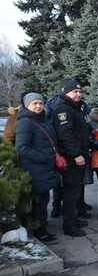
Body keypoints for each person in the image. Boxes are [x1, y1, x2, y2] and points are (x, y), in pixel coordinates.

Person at [16, 93, 60, 244]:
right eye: (34, 103)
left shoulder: (43, 119)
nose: (38, 106)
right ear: (27, 105)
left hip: (45, 168)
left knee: (42, 200)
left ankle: (41, 229)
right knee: (40, 201)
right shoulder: (25, 122)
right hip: (35, 168)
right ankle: (40, 232)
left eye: (40, 103)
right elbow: (21, 147)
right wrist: (43, 157)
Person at [51, 79, 90, 237]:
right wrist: (76, 154)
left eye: (80, 92)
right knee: (71, 192)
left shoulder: (73, 108)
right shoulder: (62, 109)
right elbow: (65, 135)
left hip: (78, 155)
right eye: (75, 92)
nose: (78, 94)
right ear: (65, 92)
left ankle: (72, 219)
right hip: (72, 157)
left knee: (75, 190)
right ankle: (69, 225)